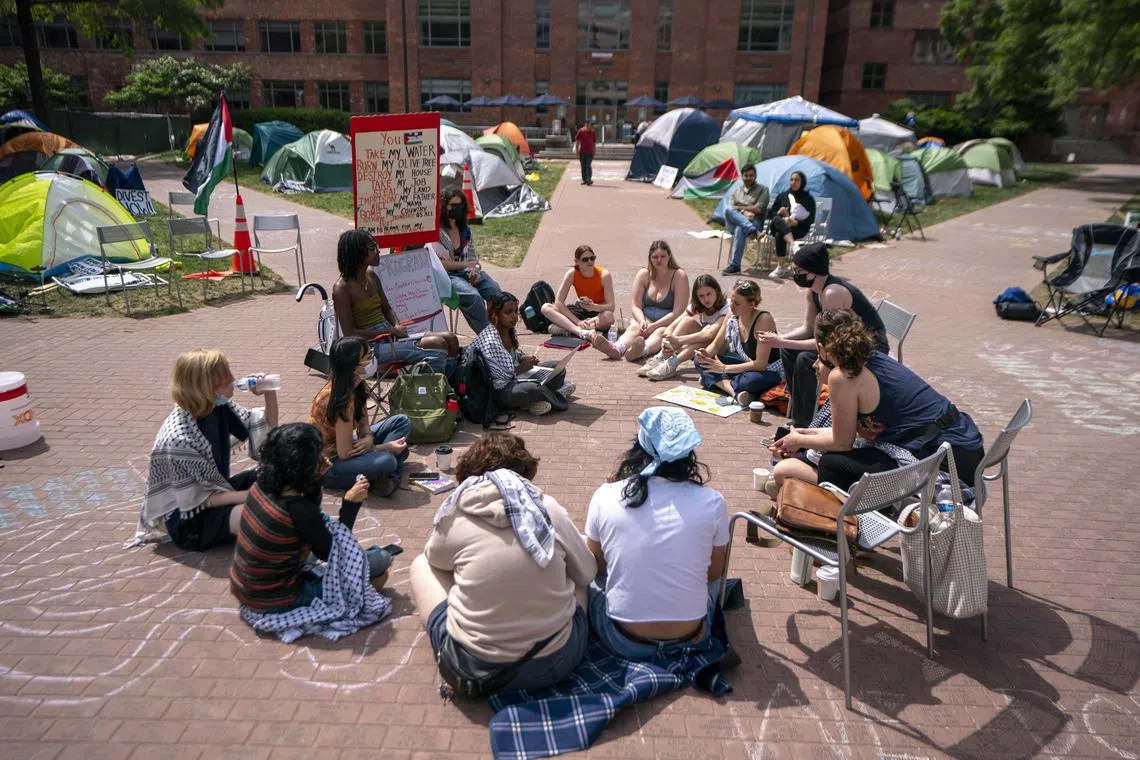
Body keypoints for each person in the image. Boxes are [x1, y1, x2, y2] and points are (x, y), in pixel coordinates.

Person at [409, 433, 597, 695]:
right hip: (556, 663)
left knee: (421, 564)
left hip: (476, 670)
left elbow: (435, 558)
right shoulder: (547, 508)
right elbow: (587, 572)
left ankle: (474, 626)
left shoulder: (455, 511)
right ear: (524, 473)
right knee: (576, 571)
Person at [770, 309, 984, 493]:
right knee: (812, 460)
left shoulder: (843, 375)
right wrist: (800, 435)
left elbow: (841, 442)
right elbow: (848, 434)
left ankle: (838, 515)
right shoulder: (872, 357)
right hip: (963, 446)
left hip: (942, 460)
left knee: (828, 464)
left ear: (820, 346)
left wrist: (798, 441)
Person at [584, 407, 728, 660]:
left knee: (584, 576)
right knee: (718, 578)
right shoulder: (713, 502)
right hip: (692, 634)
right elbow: (714, 574)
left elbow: (596, 566)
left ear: (639, 448)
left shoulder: (605, 494)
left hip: (622, 639)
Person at [230, 423, 397, 612]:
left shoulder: (262, 486)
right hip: (280, 599)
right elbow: (333, 554)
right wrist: (350, 504)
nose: (323, 458)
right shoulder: (298, 510)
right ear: (305, 465)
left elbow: (311, 520)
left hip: (246, 589)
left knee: (357, 559)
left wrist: (316, 479)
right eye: (318, 455)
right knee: (380, 562)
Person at [137, 350, 279, 550]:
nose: (233, 378)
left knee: (280, 477)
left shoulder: (216, 406)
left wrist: (270, 393)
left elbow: (264, 429)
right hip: (191, 520)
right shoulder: (179, 438)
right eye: (225, 377)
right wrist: (255, 496)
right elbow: (203, 500)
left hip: (219, 491)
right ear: (206, 386)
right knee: (266, 514)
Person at [757, 242, 889, 428]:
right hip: (841, 342)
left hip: (867, 346)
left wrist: (781, 341)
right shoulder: (813, 292)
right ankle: (799, 408)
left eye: (798, 270)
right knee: (787, 351)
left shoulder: (832, 293)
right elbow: (808, 328)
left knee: (805, 359)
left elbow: (826, 343)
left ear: (813, 270)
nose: (796, 274)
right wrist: (780, 340)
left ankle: (804, 422)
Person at [332, 230, 458, 371]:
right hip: (370, 346)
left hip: (390, 336)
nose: (378, 251)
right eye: (373, 248)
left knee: (451, 339)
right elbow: (350, 334)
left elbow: (387, 308)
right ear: (357, 253)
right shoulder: (342, 288)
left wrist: (397, 326)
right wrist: (389, 330)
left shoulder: (371, 275)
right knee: (438, 343)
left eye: (376, 245)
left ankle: (450, 384)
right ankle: (430, 390)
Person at [309, 336, 412, 496]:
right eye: (368, 357)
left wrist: (369, 438)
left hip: (351, 444)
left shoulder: (356, 383)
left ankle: (382, 474)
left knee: (400, 421)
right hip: (330, 464)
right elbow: (344, 453)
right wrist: (384, 448)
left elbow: (364, 423)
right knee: (388, 461)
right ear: (353, 365)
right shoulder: (340, 400)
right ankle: (389, 476)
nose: (373, 359)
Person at [475, 292, 575, 417]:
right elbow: (497, 380)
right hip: (502, 391)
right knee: (534, 388)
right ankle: (556, 395)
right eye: (508, 312)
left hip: (518, 377)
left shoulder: (508, 330)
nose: (514, 316)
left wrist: (523, 358)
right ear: (495, 315)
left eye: (515, 311)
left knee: (558, 367)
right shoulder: (491, 341)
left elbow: (513, 354)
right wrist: (521, 368)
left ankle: (534, 401)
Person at [591, 240, 688, 362]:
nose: (659, 260)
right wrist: (642, 321)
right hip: (645, 319)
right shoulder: (644, 274)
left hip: (667, 322)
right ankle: (616, 348)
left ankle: (640, 351)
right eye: (655, 257)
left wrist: (654, 326)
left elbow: (678, 312)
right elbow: (636, 306)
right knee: (634, 328)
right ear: (650, 258)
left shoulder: (679, 276)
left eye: (663, 256)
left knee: (660, 333)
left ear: (669, 256)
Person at [693, 279, 781, 406]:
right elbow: (716, 345)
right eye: (731, 301)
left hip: (769, 370)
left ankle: (718, 382)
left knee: (750, 381)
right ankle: (735, 392)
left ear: (751, 304)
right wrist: (705, 354)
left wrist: (724, 368)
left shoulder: (764, 320)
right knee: (700, 361)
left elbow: (761, 364)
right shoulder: (732, 315)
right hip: (746, 366)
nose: (731, 306)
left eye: (737, 303)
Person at [429, 189, 502, 333]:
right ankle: (489, 337)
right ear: (444, 206)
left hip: (466, 272)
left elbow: (472, 258)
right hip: (447, 276)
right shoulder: (436, 232)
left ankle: (501, 333)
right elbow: (439, 263)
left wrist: (473, 272)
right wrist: (465, 265)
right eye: (452, 205)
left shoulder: (465, 230)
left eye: (460, 205)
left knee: (497, 293)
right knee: (474, 298)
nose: (457, 208)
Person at [639, 275, 729, 381]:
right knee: (687, 321)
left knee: (706, 333)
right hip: (701, 348)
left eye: (709, 294)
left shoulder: (727, 306)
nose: (706, 299)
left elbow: (709, 334)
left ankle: (673, 363)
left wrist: (679, 341)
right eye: (701, 296)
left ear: (717, 291)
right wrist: (666, 341)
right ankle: (662, 356)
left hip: (720, 348)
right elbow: (674, 324)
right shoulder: (697, 305)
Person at [539, 244, 616, 339]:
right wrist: (577, 322)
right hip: (580, 310)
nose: (590, 261)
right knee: (545, 308)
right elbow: (559, 302)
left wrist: (594, 307)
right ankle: (579, 331)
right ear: (577, 262)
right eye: (585, 259)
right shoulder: (572, 273)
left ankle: (568, 328)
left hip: (598, 313)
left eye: (592, 258)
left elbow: (611, 306)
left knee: (609, 317)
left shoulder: (604, 275)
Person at [720, 164, 770, 276]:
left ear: (755, 176)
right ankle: (752, 230)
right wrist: (744, 212)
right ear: (742, 176)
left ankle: (735, 266)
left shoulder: (763, 190)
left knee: (740, 228)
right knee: (728, 210)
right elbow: (730, 210)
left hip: (755, 222)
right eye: (746, 175)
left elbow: (758, 209)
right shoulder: (736, 191)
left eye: (751, 175)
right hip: (734, 224)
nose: (748, 178)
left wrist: (739, 208)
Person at [767, 170, 815, 278]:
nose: (793, 182)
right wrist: (779, 212)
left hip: (798, 228)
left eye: (797, 180)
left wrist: (796, 222)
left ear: (802, 182)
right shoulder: (783, 196)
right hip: (778, 225)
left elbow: (811, 219)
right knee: (777, 220)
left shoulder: (808, 199)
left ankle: (780, 267)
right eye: (792, 179)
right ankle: (794, 245)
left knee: (781, 235)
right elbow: (771, 214)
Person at [574, 119, 597, 186]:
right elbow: (577, 141)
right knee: (583, 166)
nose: (591, 126)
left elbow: (594, 142)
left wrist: (594, 150)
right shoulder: (581, 131)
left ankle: (588, 179)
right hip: (582, 152)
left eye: (591, 125)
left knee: (588, 166)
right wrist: (576, 150)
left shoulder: (593, 132)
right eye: (590, 125)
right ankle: (584, 180)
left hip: (590, 152)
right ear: (586, 124)